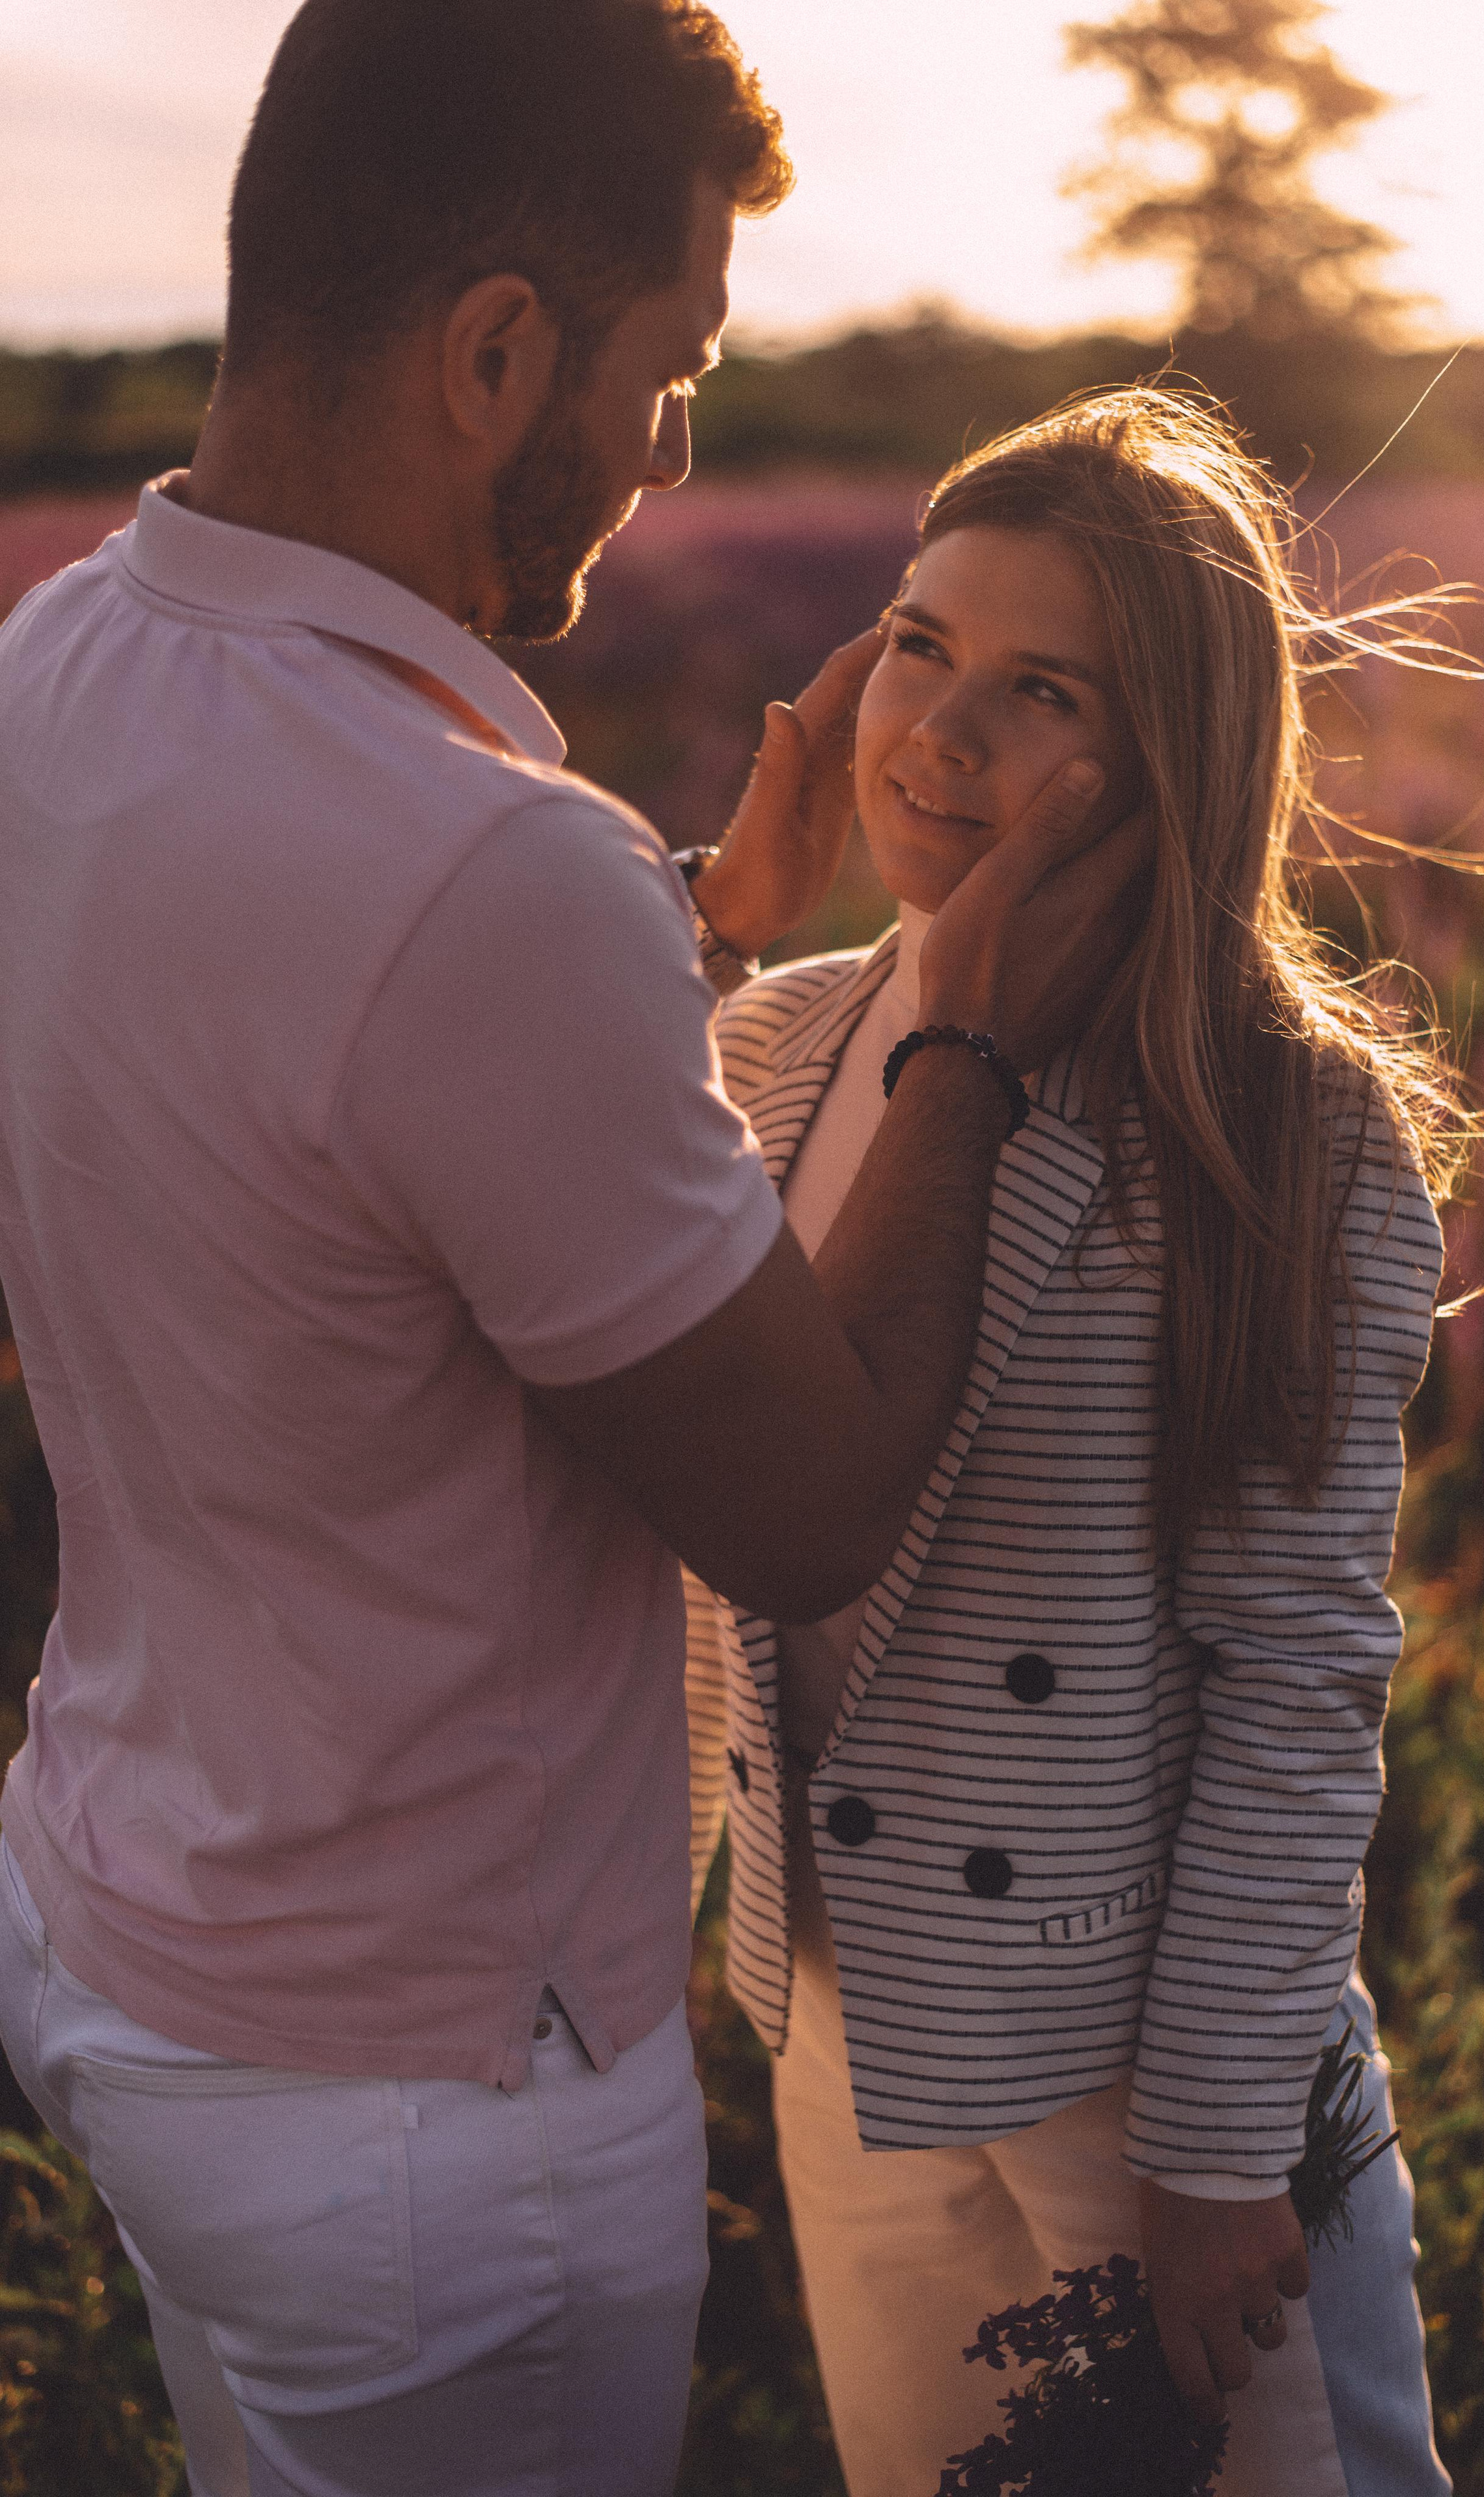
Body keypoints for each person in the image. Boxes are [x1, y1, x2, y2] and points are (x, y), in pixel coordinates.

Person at [0, 8, 1146, 2494]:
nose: (676, 454)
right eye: (674, 372)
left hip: (131, 1950)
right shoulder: (487, 875)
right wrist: (959, 1017)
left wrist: (692, 935)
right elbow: (809, 1498)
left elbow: (319, 1158)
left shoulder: (54, 675)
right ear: (499, 352)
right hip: (430, 2106)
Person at [684, 389, 1462, 2497]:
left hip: (1150, 2076)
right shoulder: (772, 1038)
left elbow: (1298, 1674)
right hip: (846, 2031)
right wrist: (724, 912)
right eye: (918, 645)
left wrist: (1217, 2150)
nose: (940, 732)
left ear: (1171, 757)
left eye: (1042, 692)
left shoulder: (1281, 1124)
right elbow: (541, 1224)